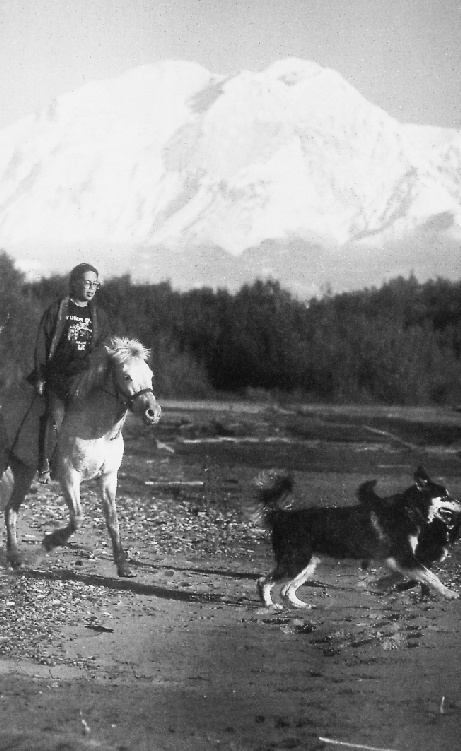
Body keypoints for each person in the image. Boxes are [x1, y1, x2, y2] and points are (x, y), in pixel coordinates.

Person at [30, 263, 111, 483]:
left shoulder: (98, 315)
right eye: (87, 282)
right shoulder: (58, 310)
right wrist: (40, 376)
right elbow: (41, 344)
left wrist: (89, 364)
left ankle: (88, 466)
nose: (92, 288)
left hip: (84, 379)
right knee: (54, 418)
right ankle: (45, 464)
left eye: (96, 284)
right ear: (74, 283)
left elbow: (104, 346)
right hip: (57, 377)